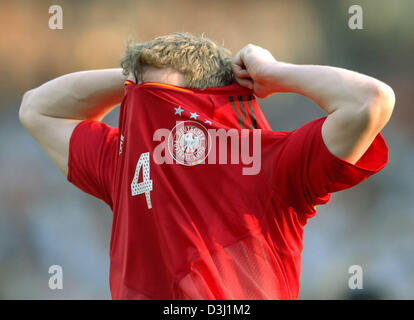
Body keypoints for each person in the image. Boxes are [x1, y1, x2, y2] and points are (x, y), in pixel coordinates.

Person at [19, 32, 394, 299]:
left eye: (161, 106)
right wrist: (130, 83)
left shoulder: (272, 162)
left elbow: (372, 100)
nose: (148, 121)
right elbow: (36, 107)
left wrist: (275, 73)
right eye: (139, 104)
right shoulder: (127, 162)